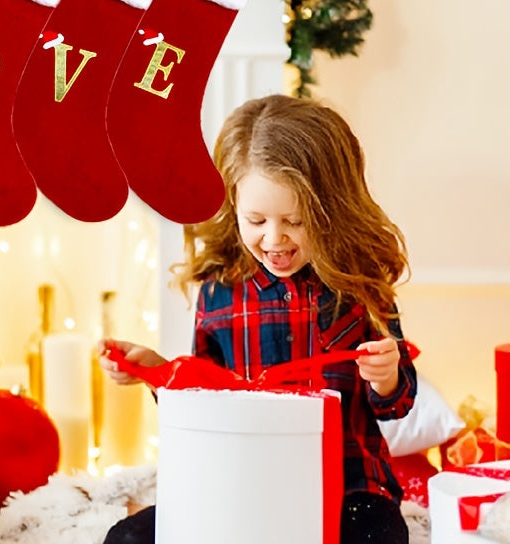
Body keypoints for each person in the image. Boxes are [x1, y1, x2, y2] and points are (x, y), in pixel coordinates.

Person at [98, 93, 417, 544]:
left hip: (347, 487)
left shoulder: (359, 283)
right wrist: (154, 369)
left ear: (331, 209)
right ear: (233, 207)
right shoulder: (218, 290)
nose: (274, 239)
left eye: (295, 220)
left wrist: (385, 377)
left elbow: (398, 403)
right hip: (241, 483)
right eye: (256, 220)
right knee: (126, 538)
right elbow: (205, 397)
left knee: (379, 536)